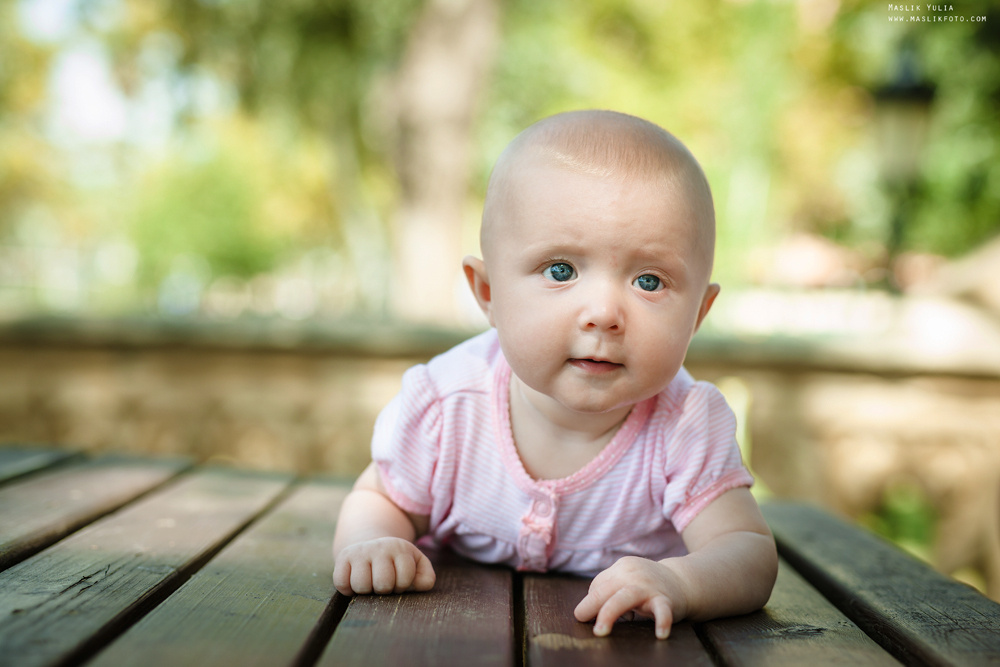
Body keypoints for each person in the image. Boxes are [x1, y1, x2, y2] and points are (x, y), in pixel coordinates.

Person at [332, 109, 778, 640]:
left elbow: (748, 554)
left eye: (650, 281)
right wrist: (374, 543)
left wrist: (681, 582)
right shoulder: (447, 406)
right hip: (460, 636)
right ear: (489, 293)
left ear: (698, 317)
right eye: (561, 271)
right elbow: (380, 497)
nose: (604, 313)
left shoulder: (684, 427)